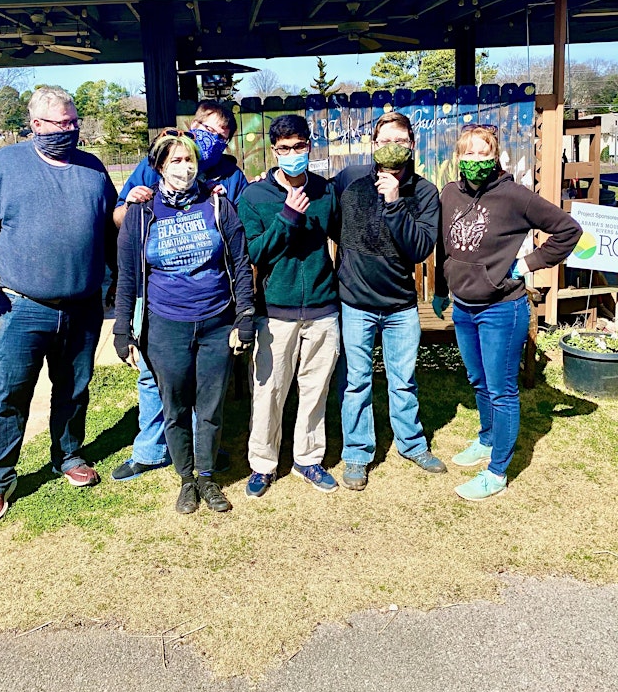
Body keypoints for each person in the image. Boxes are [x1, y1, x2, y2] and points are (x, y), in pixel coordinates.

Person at [0, 87, 118, 524]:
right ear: (36, 126)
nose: (70, 131)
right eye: (60, 124)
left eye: (73, 122)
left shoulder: (92, 168)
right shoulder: (4, 166)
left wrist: (114, 281)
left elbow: (109, 229)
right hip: (21, 307)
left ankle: (67, 456)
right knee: (10, 395)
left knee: (74, 389)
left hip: (82, 307)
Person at [433, 124, 581, 501]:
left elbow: (568, 230)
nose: (475, 161)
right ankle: (486, 438)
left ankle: (497, 471)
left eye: (483, 154)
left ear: (495, 155)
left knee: (502, 390)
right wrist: (439, 288)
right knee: (479, 380)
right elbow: (442, 246)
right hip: (464, 308)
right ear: (458, 157)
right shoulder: (449, 193)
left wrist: (528, 263)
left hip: (502, 309)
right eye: (468, 154)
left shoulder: (516, 197)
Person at [113, 130, 254, 514]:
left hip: (215, 322)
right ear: (158, 166)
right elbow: (128, 276)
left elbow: (240, 263)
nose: (184, 168)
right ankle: (186, 479)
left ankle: (207, 478)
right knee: (174, 406)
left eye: (189, 160)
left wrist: (244, 316)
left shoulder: (217, 205)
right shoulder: (141, 214)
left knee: (209, 406)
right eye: (175, 161)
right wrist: (122, 330)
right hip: (165, 325)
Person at [333, 111, 446, 491]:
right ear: (373, 145)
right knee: (356, 381)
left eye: (399, 141)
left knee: (402, 381)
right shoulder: (350, 182)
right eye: (384, 141)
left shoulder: (425, 192)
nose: (391, 148)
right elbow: (324, 209)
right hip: (355, 302)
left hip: (400, 305)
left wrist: (396, 202)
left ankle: (411, 444)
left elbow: (419, 249)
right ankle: (356, 453)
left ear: (412, 146)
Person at [238, 114, 341, 498]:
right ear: (273, 151)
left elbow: (343, 236)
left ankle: (308, 459)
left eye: (299, 147)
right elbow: (255, 252)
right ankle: (262, 465)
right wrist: (288, 218)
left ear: (309, 146)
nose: (292, 155)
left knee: (314, 390)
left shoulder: (325, 191)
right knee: (269, 391)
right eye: (284, 149)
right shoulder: (254, 197)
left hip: (322, 308)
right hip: (275, 312)